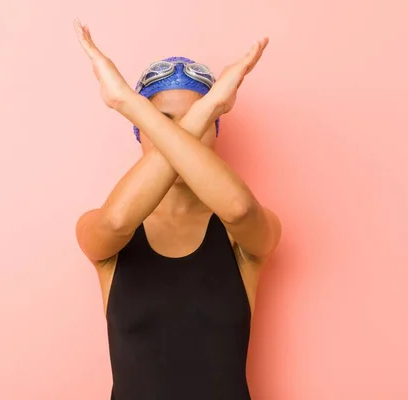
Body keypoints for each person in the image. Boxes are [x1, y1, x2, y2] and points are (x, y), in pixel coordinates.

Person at [73, 18, 282, 400]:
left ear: (216, 127)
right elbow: (118, 220)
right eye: (162, 122)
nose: (178, 134)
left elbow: (237, 209)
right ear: (140, 130)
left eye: (198, 119)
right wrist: (137, 104)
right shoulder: (103, 230)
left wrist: (131, 105)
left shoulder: (242, 235)